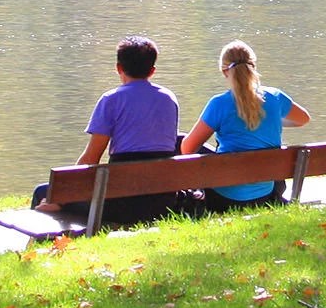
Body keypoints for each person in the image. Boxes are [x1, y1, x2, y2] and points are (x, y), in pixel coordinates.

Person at [33, 36, 185, 225]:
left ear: (118, 68)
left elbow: (91, 158)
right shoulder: (169, 99)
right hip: (161, 202)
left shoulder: (111, 100)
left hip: (119, 206)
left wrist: (62, 197)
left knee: (43, 192)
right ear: (152, 70)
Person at [179, 40, 311, 210]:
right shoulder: (275, 97)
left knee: (181, 140)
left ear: (224, 71)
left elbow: (187, 149)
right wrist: (269, 120)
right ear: (253, 66)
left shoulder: (219, 104)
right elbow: (303, 119)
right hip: (265, 194)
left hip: (223, 198)